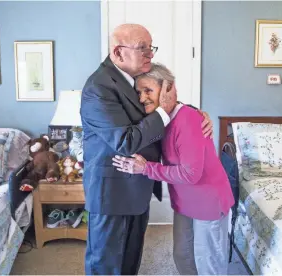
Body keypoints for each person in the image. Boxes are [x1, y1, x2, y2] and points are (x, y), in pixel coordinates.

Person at [81, 23, 213, 275]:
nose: (150, 55)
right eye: (143, 48)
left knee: (130, 262)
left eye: (150, 48)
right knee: (106, 265)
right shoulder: (98, 87)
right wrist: (165, 110)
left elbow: (157, 103)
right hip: (113, 192)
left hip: (137, 186)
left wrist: (194, 114)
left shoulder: (133, 77)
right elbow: (125, 141)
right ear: (118, 53)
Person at [112, 63, 234, 275]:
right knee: (182, 255)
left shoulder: (188, 119)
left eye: (148, 90)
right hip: (184, 200)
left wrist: (145, 168)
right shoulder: (160, 120)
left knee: (209, 263)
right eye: (139, 92)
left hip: (208, 200)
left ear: (168, 88)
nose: (142, 98)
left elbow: (190, 173)